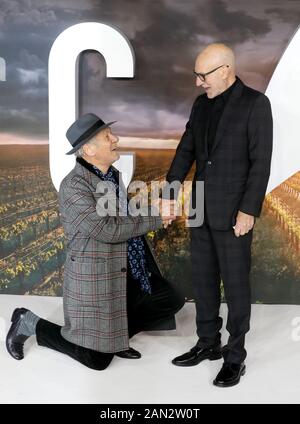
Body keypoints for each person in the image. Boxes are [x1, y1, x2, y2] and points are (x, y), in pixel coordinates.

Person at [6, 113, 184, 370]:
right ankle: (28, 322)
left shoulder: (111, 176)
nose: (116, 138)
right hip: (97, 277)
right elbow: (106, 229)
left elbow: (120, 216)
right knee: (97, 361)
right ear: (88, 149)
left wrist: (149, 207)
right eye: (107, 137)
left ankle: (114, 337)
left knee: (170, 298)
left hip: (125, 270)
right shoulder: (74, 186)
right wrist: (155, 217)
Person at [162, 43, 273, 387]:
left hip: (234, 214)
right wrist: (169, 193)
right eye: (197, 75)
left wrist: (248, 211)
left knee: (236, 287)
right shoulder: (200, 106)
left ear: (225, 69)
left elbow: (261, 163)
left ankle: (235, 357)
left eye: (203, 75)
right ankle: (208, 343)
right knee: (204, 280)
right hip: (200, 210)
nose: (198, 83)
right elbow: (186, 151)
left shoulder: (256, 104)